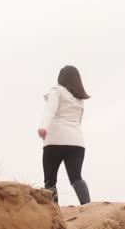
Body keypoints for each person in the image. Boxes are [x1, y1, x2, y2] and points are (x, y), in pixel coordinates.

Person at [38, 65, 91, 205]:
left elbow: (50, 110)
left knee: (50, 180)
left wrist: (44, 127)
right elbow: (78, 121)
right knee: (76, 178)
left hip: (55, 140)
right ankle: (88, 207)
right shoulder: (79, 99)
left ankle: (54, 212)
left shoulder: (56, 91)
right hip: (77, 143)